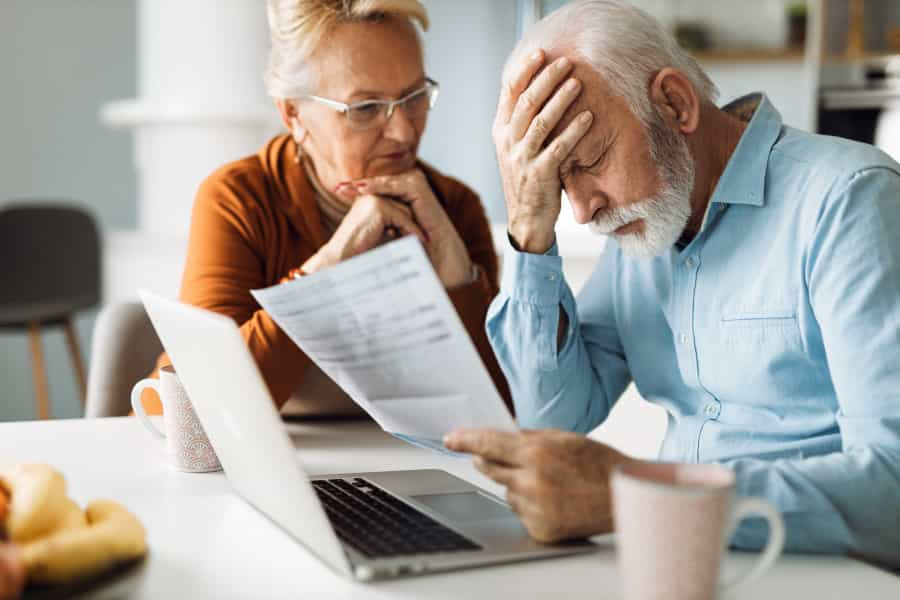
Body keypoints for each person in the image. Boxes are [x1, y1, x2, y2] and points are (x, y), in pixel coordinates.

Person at [445, 0, 900, 567]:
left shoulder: (848, 199)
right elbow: (552, 421)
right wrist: (528, 231)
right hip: (674, 559)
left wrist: (638, 493)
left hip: (819, 570)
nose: (583, 213)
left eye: (592, 159)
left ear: (675, 103)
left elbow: (892, 486)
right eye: (560, 184)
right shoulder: (647, 223)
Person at [140, 0, 510, 416]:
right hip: (279, 460)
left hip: (406, 464)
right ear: (293, 114)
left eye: (414, 97)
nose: (405, 129)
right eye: (366, 109)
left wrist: (460, 281)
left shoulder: (454, 207)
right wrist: (331, 267)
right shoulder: (238, 199)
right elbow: (198, 409)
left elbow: (504, 411)